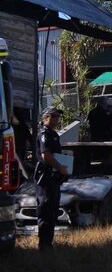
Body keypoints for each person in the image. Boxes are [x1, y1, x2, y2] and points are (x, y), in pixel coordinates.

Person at [35, 107, 70, 251]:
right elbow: (46, 155)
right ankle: (44, 245)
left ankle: (48, 243)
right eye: (54, 116)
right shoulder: (44, 134)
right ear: (46, 117)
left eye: (57, 117)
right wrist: (60, 166)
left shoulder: (54, 134)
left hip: (54, 178)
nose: (56, 119)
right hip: (46, 177)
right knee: (46, 209)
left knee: (53, 210)